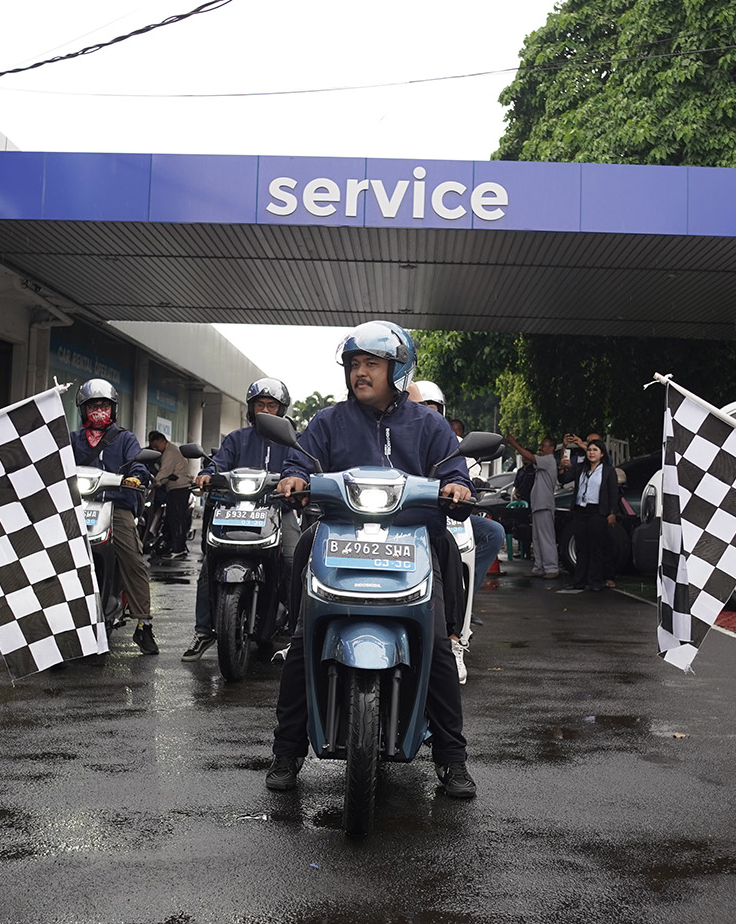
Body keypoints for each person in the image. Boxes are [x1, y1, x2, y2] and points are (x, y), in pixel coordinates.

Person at [271, 322, 477, 800]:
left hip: (414, 542)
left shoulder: (429, 425)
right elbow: (300, 462)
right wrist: (294, 478)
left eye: (371, 364)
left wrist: (458, 486)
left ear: (397, 370)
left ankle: (452, 757)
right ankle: (286, 750)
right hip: (338, 537)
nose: (360, 373)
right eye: (354, 365)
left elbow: (455, 470)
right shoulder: (328, 422)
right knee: (303, 638)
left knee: (438, 647)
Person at [183, 378, 301, 661]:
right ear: (251, 407)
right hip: (236, 511)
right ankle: (203, 631)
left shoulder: (291, 441)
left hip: (277, 510)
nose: (265, 410)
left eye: (271, 405)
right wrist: (207, 474)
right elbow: (219, 463)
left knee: (293, 561)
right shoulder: (237, 439)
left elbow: (300, 468)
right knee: (209, 563)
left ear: (281, 410)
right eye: (260, 404)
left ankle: (297, 633)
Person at [412, 381, 505, 684]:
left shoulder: (451, 440)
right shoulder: (389, 431)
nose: (425, 414)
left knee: (477, 539)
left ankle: (456, 634)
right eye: (418, 408)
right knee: (311, 540)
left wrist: (462, 486)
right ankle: (301, 635)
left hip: (441, 516)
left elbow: (463, 475)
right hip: (391, 517)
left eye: (431, 409)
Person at [70, 379, 158, 655]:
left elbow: (138, 464)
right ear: (83, 410)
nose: (99, 411)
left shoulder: (125, 439)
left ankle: (143, 624)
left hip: (116, 507)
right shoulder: (72, 440)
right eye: (93, 406)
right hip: (78, 508)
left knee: (132, 559)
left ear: (113, 409)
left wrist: (136, 477)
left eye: (104, 406)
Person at [559, 438, 619, 593]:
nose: (591, 453)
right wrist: (561, 468)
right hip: (581, 510)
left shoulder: (608, 470)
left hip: (597, 511)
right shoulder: (581, 468)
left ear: (602, 454)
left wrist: (612, 513)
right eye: (589, 450)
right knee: (581, 547)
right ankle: (579, 581)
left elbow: (613, 493)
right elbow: (564, 479)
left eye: (595, 450)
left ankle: (595, 581)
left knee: (596, 547)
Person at [506, 434, 561, 578]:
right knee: (537, 538)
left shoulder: (548, 460)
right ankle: (539, 567)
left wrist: (514, 444)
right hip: (538, 505)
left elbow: (530, 457)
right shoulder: (544, 462)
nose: (540, 448)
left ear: (551, 448)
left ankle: (551, 568)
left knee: (546, 537)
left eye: (543, 446)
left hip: (544, 505)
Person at [147, 430, 194, 557]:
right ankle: (175, 546)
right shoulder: (170, 450)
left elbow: (165, 471)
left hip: (179, 488)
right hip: (175, 488)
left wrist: (154, 482)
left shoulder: (169, 452)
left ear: (163, 441)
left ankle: (178, 549)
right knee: (173, 519)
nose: (156, 449)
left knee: (176, 519)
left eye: (156, 446)